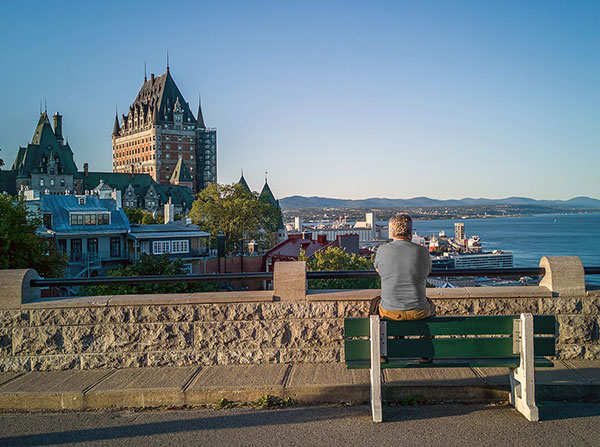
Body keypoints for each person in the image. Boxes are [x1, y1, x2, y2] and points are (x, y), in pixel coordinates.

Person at [373, 213, 435, 321]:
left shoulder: (382, 250)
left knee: (375, 303)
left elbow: (378, 270)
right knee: (430, 306)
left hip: (390, 313)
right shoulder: (423, 251)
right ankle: (427, 336)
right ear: (410, 232)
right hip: (419, 312)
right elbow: (427, 271)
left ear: (391, 232)